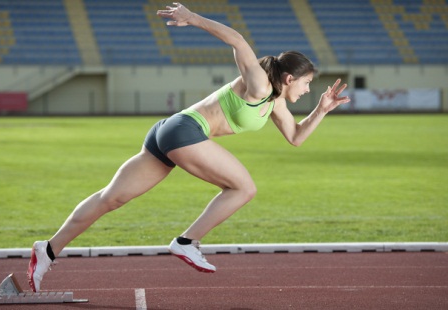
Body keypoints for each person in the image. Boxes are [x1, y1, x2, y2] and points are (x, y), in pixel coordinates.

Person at [27, 2, 350, 292]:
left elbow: (295, 137)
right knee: (243, 188)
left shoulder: (275, 101)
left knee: (111, 198)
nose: (309, 90)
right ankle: (186, 241)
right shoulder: (259, 84)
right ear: (290, 77)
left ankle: (49, 249)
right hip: (185, 131)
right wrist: (191, 17)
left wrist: (321, 110)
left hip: (168, 132)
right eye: (308, 83)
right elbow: (238, 40)